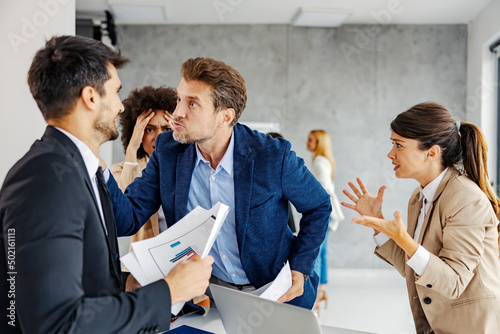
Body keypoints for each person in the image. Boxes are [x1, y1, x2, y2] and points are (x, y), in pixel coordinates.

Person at [0, 35, 213, 334]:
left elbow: (79, 277)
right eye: (115, 93)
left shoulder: (78, 168)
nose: (121, 107)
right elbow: (56, 322)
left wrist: (127, 283)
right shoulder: (45, 178)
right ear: (90, 97)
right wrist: (168, 292)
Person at [106, 57, 331, 309]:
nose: (178, 112)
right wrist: (96, 161)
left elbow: (319, 205)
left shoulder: (271, 155)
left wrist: (300, 267)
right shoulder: (168, 150)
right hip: (214, 297)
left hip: (278, 291)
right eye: (180, 99)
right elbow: (128, 219)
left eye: (192, 103)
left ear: (225, 116)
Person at [342, 102, 500, 333]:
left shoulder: (466, 198)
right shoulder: (420, 196)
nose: (390, 154)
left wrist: (405, 240)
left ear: (432, 152)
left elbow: (454, 281)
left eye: (399, 145)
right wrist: (377, 222)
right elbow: (415, 267)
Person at [111, 86, 176, 291]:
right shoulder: (121, 170)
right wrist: (131, 150)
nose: (159, 137)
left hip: (182, 266)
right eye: (150, 129)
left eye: (166, 129)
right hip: (142, 274)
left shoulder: (185, 168)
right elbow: (122, 210)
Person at [306, 130, 344, 314]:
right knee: (322, 253)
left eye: (311, 140)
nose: (307, 142)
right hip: (326, 211)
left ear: (319, 142)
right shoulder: (323, 160)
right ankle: (322, 290)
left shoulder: (320, 161)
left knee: (317, 252)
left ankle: (316, 293)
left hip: (322, 211)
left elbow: (324, 186)